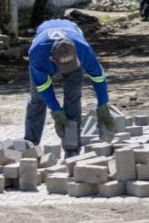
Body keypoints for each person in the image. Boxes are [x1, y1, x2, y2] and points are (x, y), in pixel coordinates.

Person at [25, 19, 115, 157]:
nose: (65, 71)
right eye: (63, 67)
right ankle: (30, 146)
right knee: (37, 100)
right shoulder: (37, 54)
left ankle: (72, 149)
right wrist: (56, 110)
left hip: (73, 46)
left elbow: (98, 77)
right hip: (43, 50)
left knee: (73, 99)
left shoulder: (83, 49)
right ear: (52, 60)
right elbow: (44, 87)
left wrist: (103, 103)